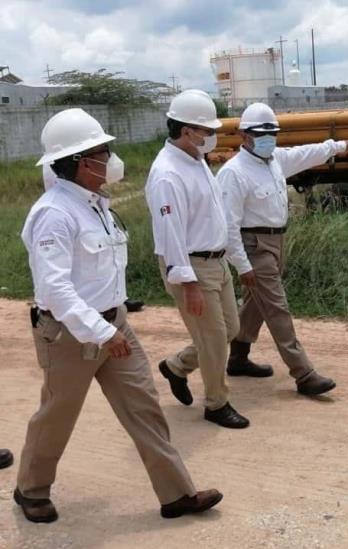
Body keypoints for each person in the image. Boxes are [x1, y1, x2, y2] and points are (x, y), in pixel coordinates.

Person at [16, 108, 222, 523]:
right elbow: (56, 289)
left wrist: (116, 320)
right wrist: (100, 331)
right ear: (79, 162)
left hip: (114, 323)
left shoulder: (96, 204)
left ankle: (177, 493)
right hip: (71, 334)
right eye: (102, 151)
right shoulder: (53, 214)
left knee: (144, 406)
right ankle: (31, 489)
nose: (111, 158)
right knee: (58, 413)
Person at [217, 102, 348, 395]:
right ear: (245, 136)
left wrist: (340, 145)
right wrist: (242, 265)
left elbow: (306, 153)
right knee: (276, 307)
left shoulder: (275, 160)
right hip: (253, 246)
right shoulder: (233, 173)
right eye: (261, 134)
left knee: (257, 303)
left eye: (273, 133)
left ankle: (238, 358)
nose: (268, 139)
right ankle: (303, 373)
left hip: (277, 241)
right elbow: (228, 226)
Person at [145, 90, 248, 429]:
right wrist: (187, 283)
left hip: (215, 262)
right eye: (206, 130)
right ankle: (217, 403)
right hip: (191, 266)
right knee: (215, 339)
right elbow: (170, 233)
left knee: (231, 328)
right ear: (187, 130)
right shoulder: (167, 174)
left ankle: (176, 366)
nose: (212, 136)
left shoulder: (194, 160)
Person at [43, 161, 145, 313]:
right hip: (73, 201)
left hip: (88, 196)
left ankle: (114, 297)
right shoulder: (57, 162)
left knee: (110, 249)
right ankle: (81, 305)